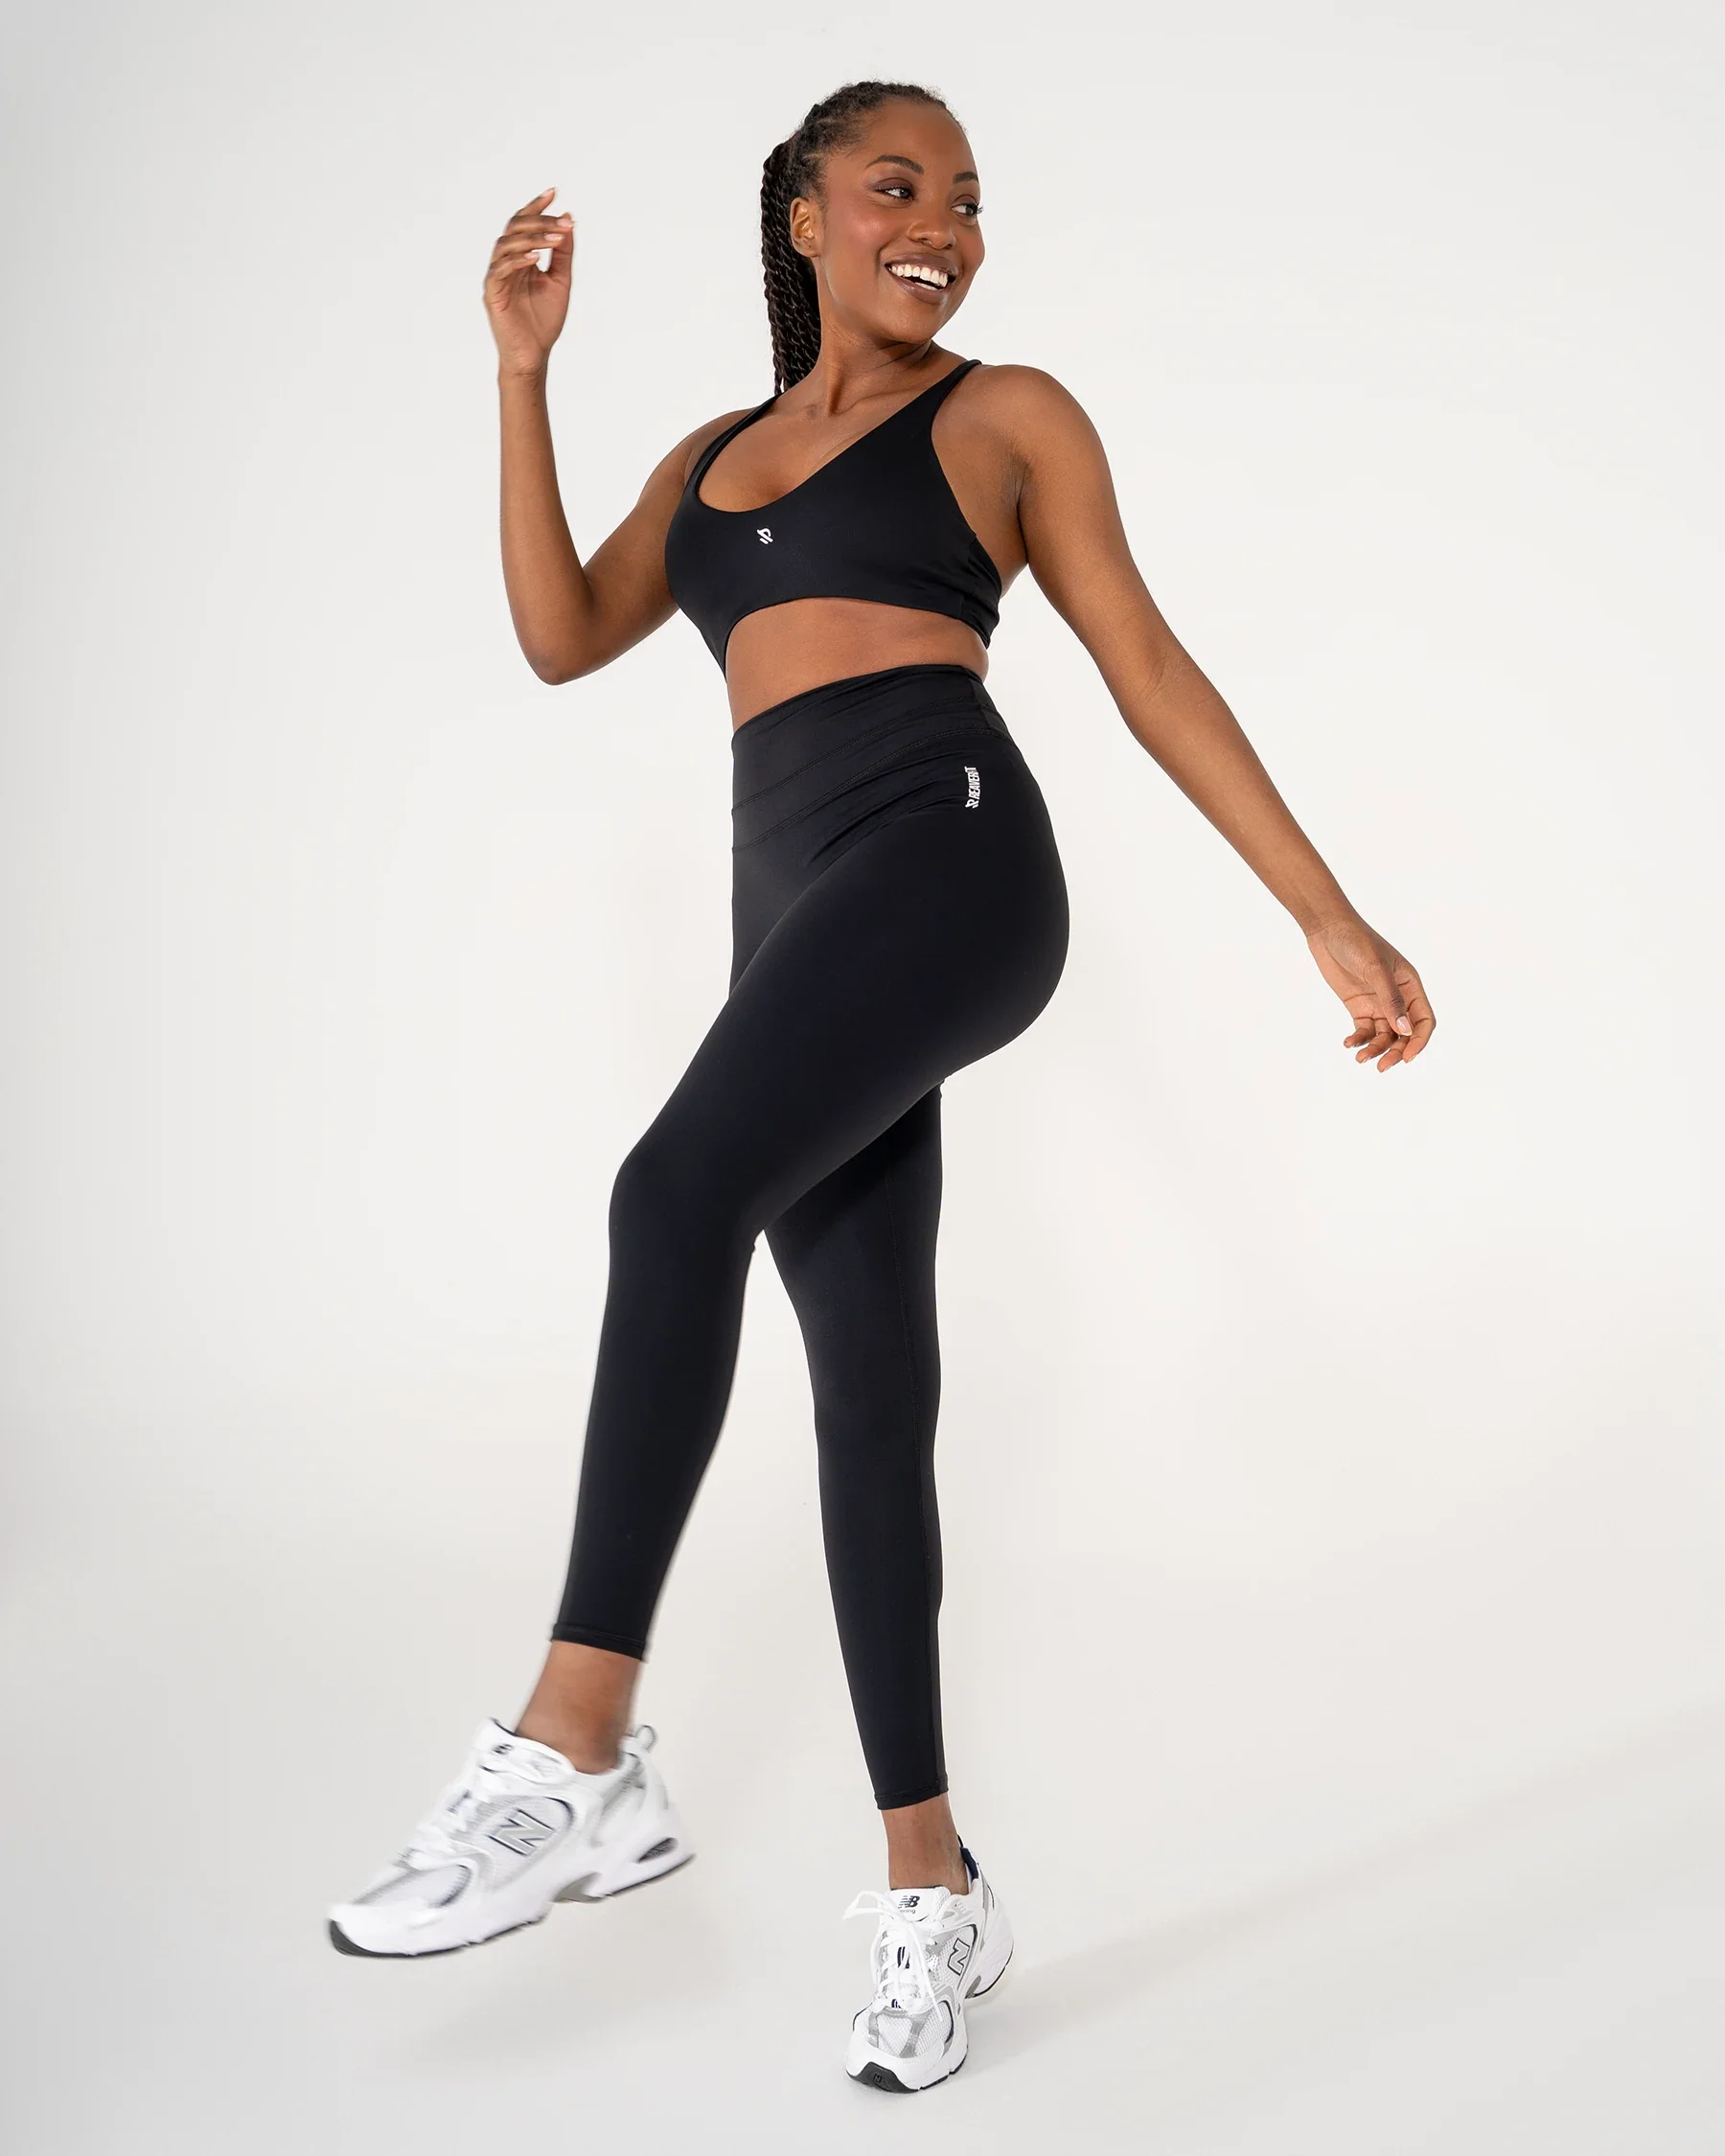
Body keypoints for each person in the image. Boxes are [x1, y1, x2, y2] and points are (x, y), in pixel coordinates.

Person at [326, 80, 1436, 2093]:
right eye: (898, 186)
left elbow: (1146, 665)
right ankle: (937, 1889)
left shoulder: (1008, 418)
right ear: (805, 215)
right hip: (799, 923)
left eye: (969, 200)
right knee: (869, 1387)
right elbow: (564, 635)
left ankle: (576, 1742)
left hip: (952, 861)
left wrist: (1323, 911)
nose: (943, 225)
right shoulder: (707, 462)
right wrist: (520, 375)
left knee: (670, 1196)